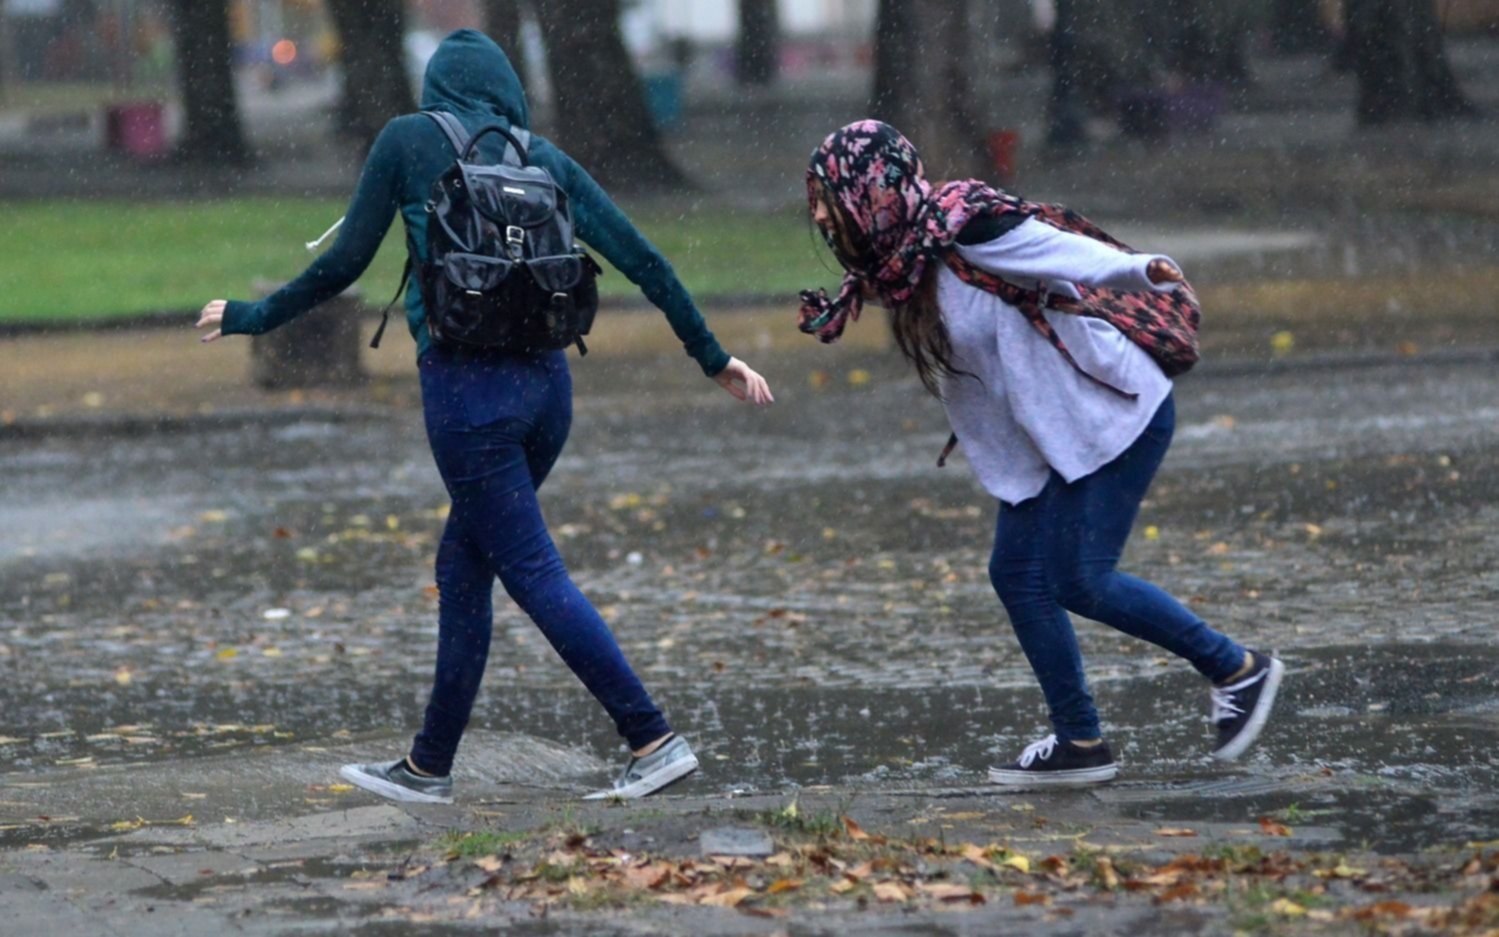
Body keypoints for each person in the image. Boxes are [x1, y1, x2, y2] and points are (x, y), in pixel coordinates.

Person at [194, 30, 774, 804]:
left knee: (531, 571)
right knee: (463, 565)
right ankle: (429, 766)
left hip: (469, 401)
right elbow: (646, 262)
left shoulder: (408, 140)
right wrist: (713, 358)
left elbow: (344, 263)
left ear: (438, 87)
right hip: (547, 396)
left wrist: (253, 315)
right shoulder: (543, 159)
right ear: (507, 91)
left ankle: (653, 737)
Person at [797, 120, 1281, 789]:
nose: (819, 214)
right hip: (1046, 442)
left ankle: (1235, 666)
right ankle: (1079, 740)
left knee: (1078, 577)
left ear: (871, 189)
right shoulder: (900, 259)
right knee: (1017, 573)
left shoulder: (970, 228)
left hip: (1111, 416)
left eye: (827, 196)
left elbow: (1061, 252)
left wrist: (1142, 269)